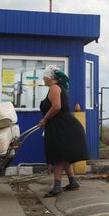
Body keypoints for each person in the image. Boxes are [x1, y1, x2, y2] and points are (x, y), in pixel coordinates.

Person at [38, 65, 89, 197]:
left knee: (58, 157)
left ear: (50, 77)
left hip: (63, 126)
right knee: (63, 155)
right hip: (63, 125)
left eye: (44, 76)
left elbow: (56, 106)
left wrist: (45, 120)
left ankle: (57, 186)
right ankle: (72, 182)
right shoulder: (59, 88)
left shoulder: (54, 88)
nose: (43, 78)